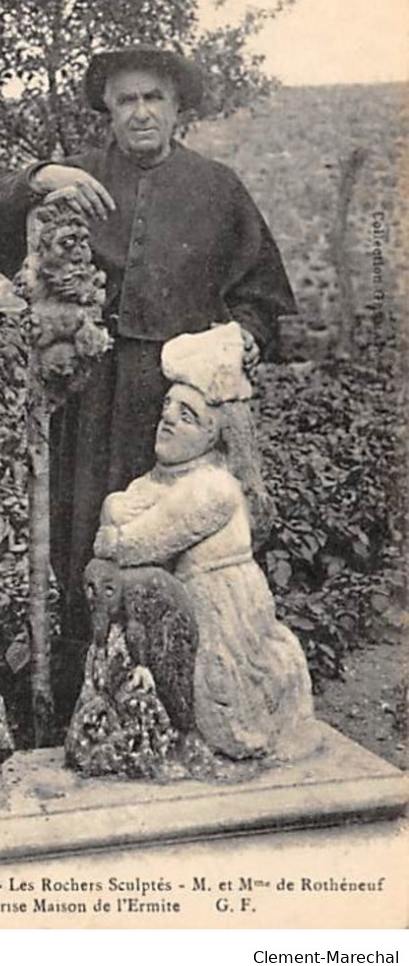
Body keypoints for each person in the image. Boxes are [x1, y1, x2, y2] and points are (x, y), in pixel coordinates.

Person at [0, 46, 297, 716]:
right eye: (126, 100)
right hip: (89, 393)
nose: (141, 112)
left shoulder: (217, 188)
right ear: (108, 111)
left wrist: (236, 340)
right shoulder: (79, 178)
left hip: (174, 402)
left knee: (173, 541)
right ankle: (77, 700)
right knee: (84, 535)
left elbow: (261, 301)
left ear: (177, 108)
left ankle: (179, 700)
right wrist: (42, 174)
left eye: (154, 97)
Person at [90, 323, 321, 762]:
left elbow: (136, 540)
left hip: (221, 606)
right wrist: (118, 522)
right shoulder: (175, 477)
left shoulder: (212, 488)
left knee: (218, 701)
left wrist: (115, 531)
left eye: (188, 415)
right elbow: (123, 510)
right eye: (168, 407)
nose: (169, 419)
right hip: (187, 603)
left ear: (215, 433)